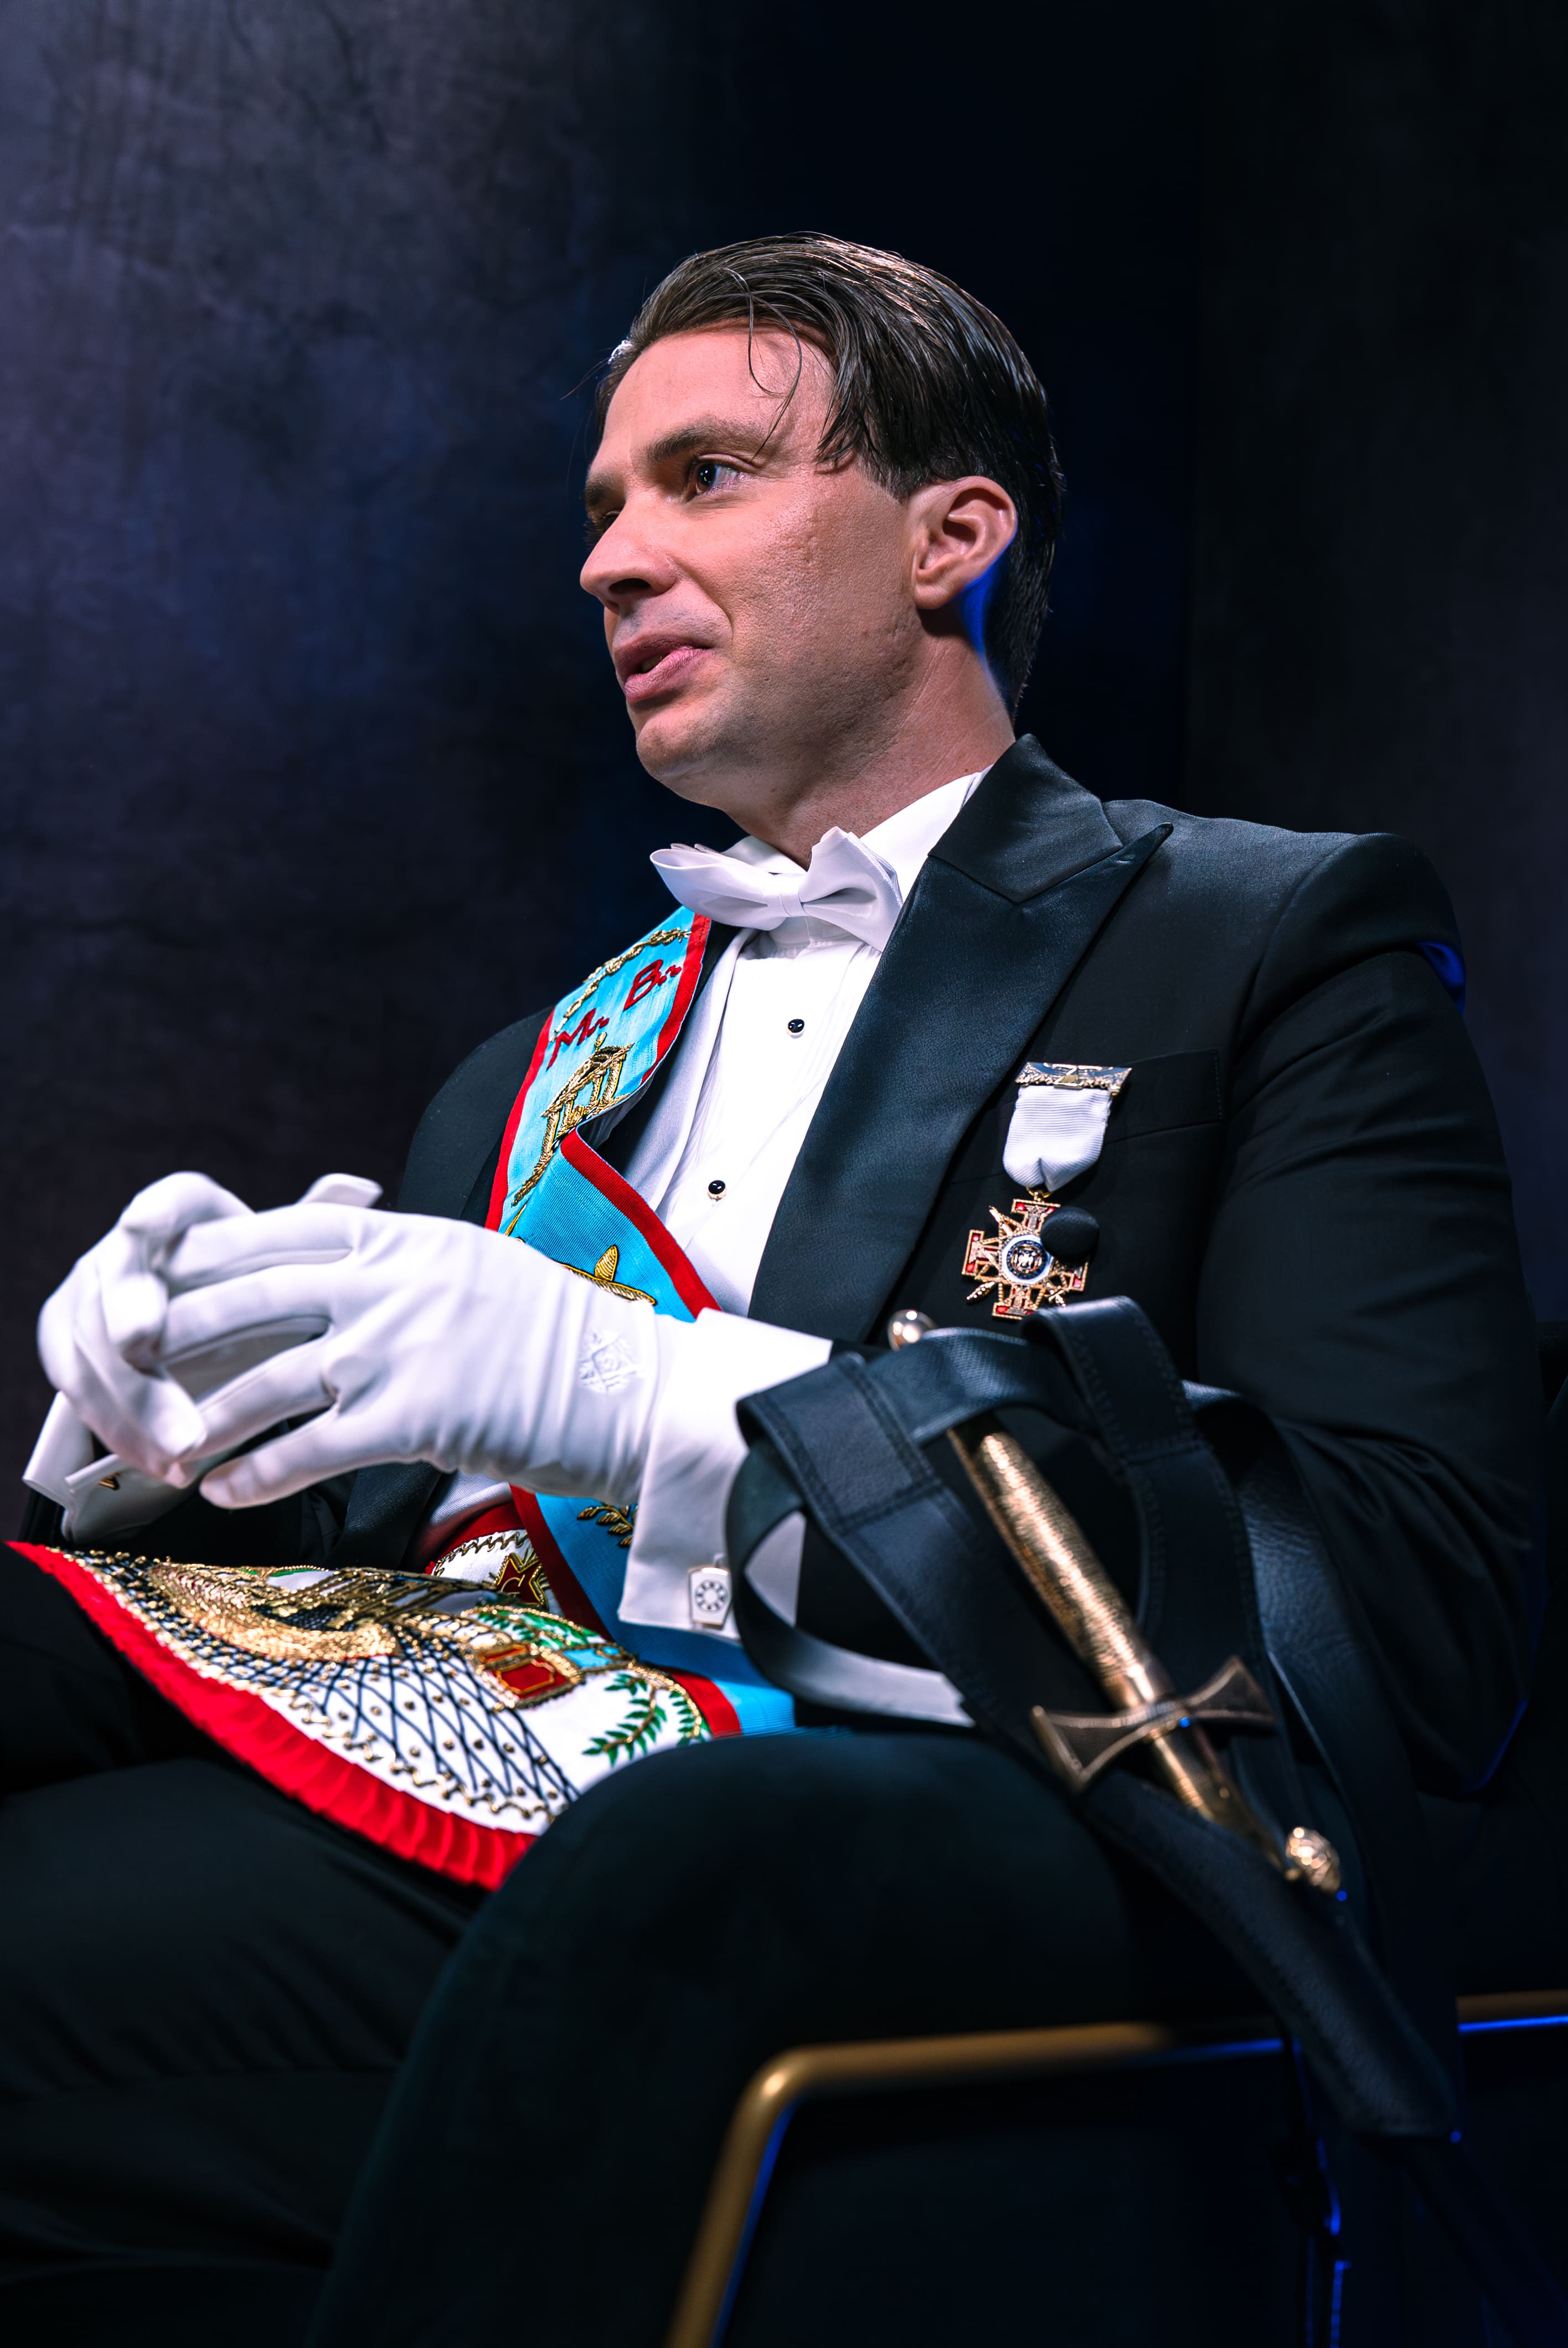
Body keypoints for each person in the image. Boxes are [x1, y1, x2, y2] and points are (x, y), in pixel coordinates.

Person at [1, 235, 1539, 2344]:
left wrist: (652, 1398)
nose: (610, 561)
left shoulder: (1264, 940)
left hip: (889, 1832)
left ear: (949, 538)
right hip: (475, 1799)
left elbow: (1406, 1617)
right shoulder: (531, 1075)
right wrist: (174, 1449)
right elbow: (389, 1598)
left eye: (707, 477)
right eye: (604, 506)